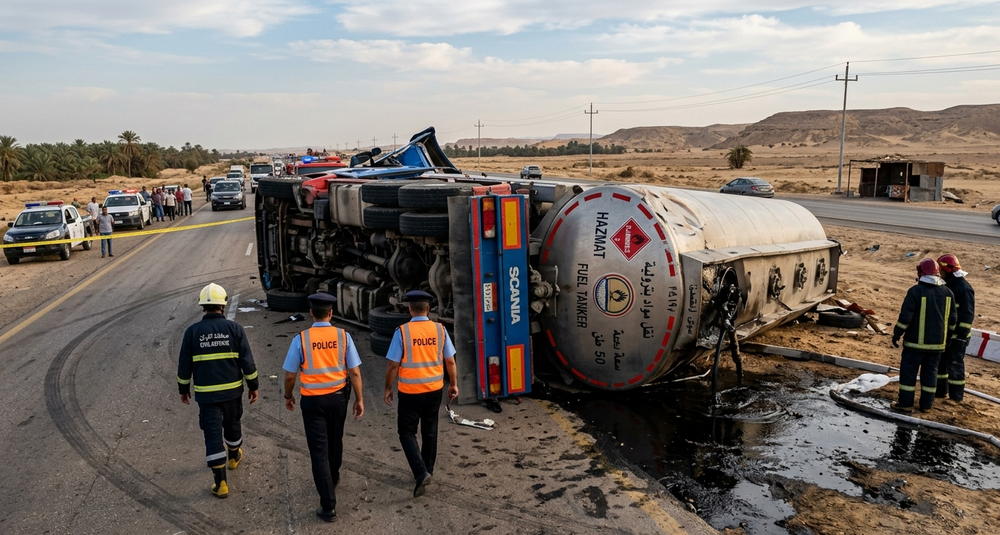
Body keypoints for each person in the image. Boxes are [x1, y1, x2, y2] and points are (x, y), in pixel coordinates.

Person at [283, 293, 364, 522]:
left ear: (311, 313)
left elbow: (290, 375)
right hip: (338, 399)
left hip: (312, 402)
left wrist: (288, 395)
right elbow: (354, 371)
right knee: (335, 440)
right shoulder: (344, 336)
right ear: (331, 314)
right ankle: (334, 475)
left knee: (319, 450)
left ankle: (328, 506)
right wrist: (359, 399)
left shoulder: (301, 339)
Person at [177, 283, 259, 499]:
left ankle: (220, 483)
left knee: (212, 434)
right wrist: (253, 386)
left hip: (207, 395)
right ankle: (234, 456)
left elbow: (185, 365)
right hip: (232, 392)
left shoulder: (192, 332)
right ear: (223, 305)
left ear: (203, 306)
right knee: (232, 423)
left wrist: (183, 389)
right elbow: (247, 362)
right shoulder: (235, 329)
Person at [383, 290, 459, 498]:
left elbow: (392, 365)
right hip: (434, 390)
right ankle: (428, 469)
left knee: (406, 432)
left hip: (410, 392)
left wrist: (388, 388)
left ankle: (420, 472)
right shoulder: (440, 330)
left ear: (410, 309)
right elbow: (450, 360)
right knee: (430, 431)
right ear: (429, 309)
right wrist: (453, 384)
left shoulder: (403, 332)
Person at [891, 258, 957, 413]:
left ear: (921, 272)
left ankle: (905, 404)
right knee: (930, 376)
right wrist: (948, 340)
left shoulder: (915, 291)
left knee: (908, 375)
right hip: (937, 347)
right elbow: (952, 321)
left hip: (915, 345)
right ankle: (926, 406)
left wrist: (897, 333)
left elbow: (905, 317)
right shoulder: (948, 293)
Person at [936, 254, 975, 402]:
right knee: (941, 364)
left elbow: (967, 315)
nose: (939, 274)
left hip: (958, 336)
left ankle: (956, 398)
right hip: (945, 334)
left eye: (941, 271)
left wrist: (961, 336)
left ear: (948, 270)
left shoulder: (963, 288)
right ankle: (940, 392)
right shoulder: (947, 285)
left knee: (954, 365)